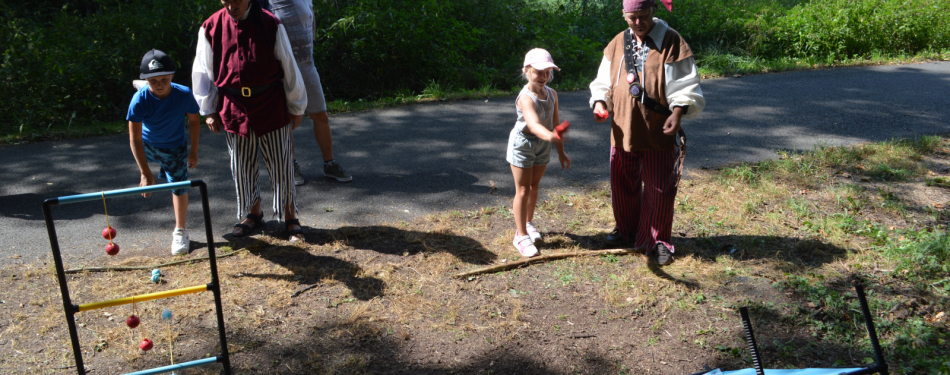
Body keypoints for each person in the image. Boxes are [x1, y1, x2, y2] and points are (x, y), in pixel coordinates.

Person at [589, 0, 705, 266]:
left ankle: (659, 240)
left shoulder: (672, 41)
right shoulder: (618, 42)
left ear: (653, 10)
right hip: (623, 127)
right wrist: (599, 102)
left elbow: (686, 84)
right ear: (624, 15)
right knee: (622, 182)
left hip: (657, 128)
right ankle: (627, 229)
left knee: (659, 187)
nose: (638, 22)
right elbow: (603, 81)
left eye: (642, 16)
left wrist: (677, 113)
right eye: (631, 18)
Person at [192, 0, 308, 242]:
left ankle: (290, 216)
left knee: (281, 162)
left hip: (270, 103)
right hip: (233, 105)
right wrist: (209, 110)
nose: (231, 4)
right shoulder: (211, 27)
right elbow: (203, 70)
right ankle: (252, 214)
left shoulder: (270, 23)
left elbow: (288, 64)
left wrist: (297, 105)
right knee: (241, 165)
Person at [260, 0, 352, 185]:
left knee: (320, 114)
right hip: (281, 69)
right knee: (285, 119)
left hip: (307, 66)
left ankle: (330, 164)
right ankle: (291, 166)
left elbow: (312, 24)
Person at [126, 49, 201, 255]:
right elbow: (134, 138)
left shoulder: (184, 93)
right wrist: (145, 172)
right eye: (153, 81)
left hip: (174, 146)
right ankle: (142, 83)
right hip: (148, 143)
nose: (159, 84)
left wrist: (193, 150)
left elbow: (194, 121)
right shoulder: (139, 100)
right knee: (150, 175)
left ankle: (180, 230)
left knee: (178, 186)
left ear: (172, 77)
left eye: (164, 80)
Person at [507, 48, 571, 258]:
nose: (543, 77)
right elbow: (533, 125)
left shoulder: (552, 94)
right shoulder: (525, 98)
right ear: (527, 71)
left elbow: (555, 124)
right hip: (523, 144)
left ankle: (528, 223)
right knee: (523, 189)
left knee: (534, 186)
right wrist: (552, 137)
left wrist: (561, 152)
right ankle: (521, 235)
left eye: (547, 72)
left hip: (543, 144)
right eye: (538, 72)